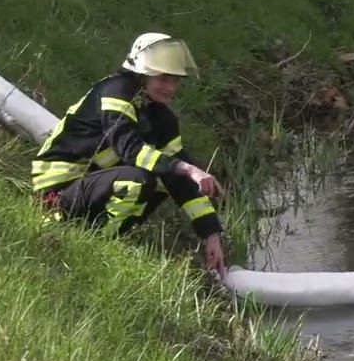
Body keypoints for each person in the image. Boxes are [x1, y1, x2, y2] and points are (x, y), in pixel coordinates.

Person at [30, 32, 227, 278]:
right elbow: (129, 149)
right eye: (164, 78)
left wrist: (211, 234)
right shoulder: (116, 91)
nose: (171, 88)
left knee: (166, 177)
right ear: (142, 73)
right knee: (141, 179)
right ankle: (95, 245)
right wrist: (186, 168)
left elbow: (180, 183)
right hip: (58, 191)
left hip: (93, 185)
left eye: (176, 80)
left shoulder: (160, 117)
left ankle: (102, 236)